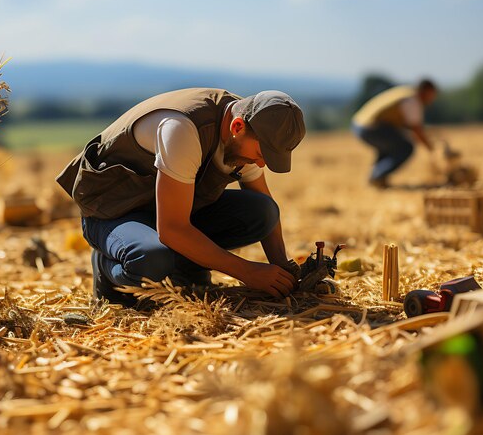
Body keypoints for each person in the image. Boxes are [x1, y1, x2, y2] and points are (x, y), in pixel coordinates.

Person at [56, 88, 306, 304]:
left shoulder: (247, 128)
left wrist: (283, 270)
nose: (261, 164)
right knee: (151, 258)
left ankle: (186, 271)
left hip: (164, 209)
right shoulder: (183, 129)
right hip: (113, 212)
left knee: (263, 212)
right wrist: (248, 272)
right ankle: (106, 263)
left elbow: (265, 208)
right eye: (262, 154)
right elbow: (172, 229)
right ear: (237, 127)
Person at [351, 79, 438, 188]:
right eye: (432, 95)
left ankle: (378, 178)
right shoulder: (412, 101)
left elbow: (408, 126)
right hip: (369, 127)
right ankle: (376, 176)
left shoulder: (406, 93)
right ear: (426, 91)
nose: (432, 99)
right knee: (406, 147)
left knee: (392, 145)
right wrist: (432, 149)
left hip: (360, 124)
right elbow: (416, 130)